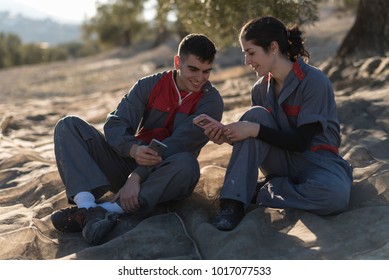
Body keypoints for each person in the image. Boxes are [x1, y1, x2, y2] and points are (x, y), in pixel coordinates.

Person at [51, 33, 223, 245]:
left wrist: (136, 177)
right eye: (193, 69)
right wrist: (132, 149)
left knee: (188, 164)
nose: (200, 78)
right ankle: (86, 207)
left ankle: (108, 209)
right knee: (68, 125)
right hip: (128, 163)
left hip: (164, 179)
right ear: (177, 62)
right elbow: (115, 124)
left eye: (207, 71)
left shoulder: (211, 102)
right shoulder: (148, 85)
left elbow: (177, 145)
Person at [203, 16, 353, 231]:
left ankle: (262, 191)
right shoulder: (259, 89)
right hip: (280, 163)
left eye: (251, 52)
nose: (247, 61)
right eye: (245, 53)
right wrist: (228, 135)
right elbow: (258, 139)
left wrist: (252, 130)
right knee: (255, 115)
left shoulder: (314, 81)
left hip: (318, 162)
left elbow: (301, 142)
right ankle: (232, 203)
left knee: (335, 196)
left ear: (273, 47)